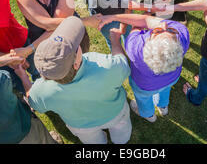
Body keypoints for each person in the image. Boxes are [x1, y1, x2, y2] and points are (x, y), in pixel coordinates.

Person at [16, 16, 132, 144]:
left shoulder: (41, 90)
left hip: (81, 126)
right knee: (122, 135)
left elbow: (32, 100)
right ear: (75, 64)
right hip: (115, 114)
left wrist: (23, 76)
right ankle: (121, 141)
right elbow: (123, 64)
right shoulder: (106, 65)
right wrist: (115, 40)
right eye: (76, 47)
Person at [98, 13, 189, 122]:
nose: (164, 26)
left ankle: (149, 115)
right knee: (165, 90)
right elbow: (152, 21)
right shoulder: (182, 35)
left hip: (144, 86)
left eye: (157, 31)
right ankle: (163, 107)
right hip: (171, 79)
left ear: (149, 46)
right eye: (169, 30)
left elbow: (142, 23)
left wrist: (116, 20)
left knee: (143, 100)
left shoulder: (136, 47)